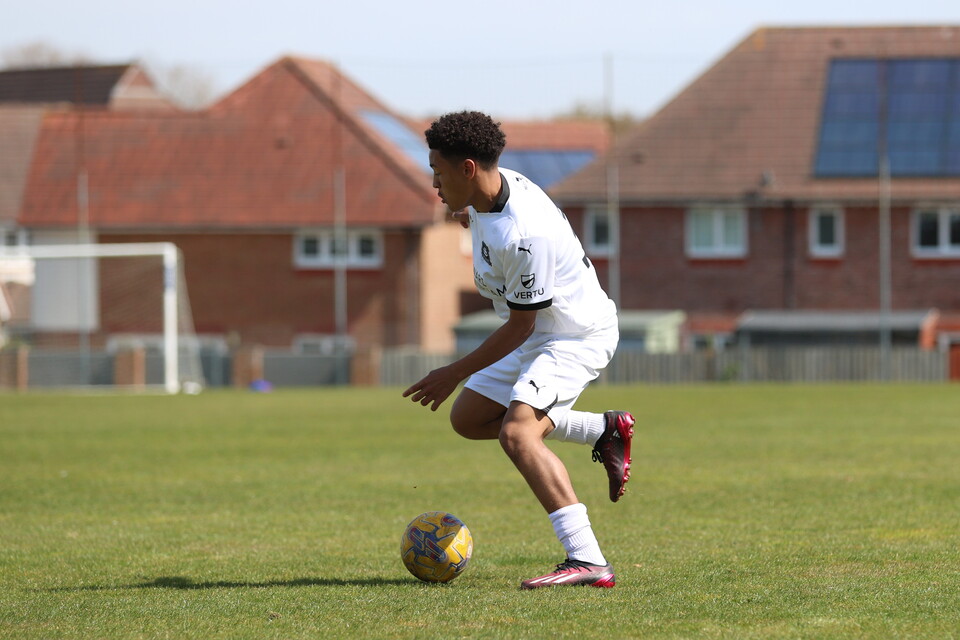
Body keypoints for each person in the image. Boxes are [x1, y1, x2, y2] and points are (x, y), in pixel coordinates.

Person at [403, 111, 634, 590]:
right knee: (469, 419)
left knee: (518, 434)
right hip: (539, 334)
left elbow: (520, 325)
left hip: (574, 336)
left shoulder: (525, 235)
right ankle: (602, 430)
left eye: (438, 172)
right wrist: (468, 216)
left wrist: (452, 372)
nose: (434, 183)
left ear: (468, 168)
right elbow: (492, 227)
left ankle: (588, 559)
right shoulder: (492, 191)